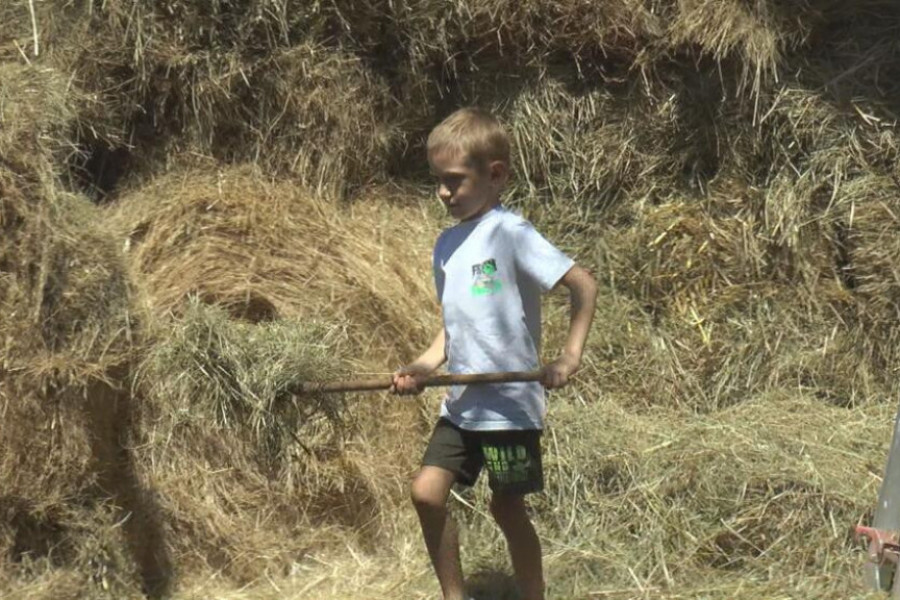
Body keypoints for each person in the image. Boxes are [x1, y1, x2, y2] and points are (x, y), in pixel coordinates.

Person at [391, 107, 598, 600]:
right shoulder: (445, 244)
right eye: (438, 181)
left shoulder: (509, 233)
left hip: (508, 408)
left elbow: (583, 284)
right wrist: (422, 366)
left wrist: (569, 357)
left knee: (506, 507)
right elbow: (455, 327)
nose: (444, 192)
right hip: (462, 407)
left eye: (454, 180)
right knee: (426, 493)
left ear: (496, 175)